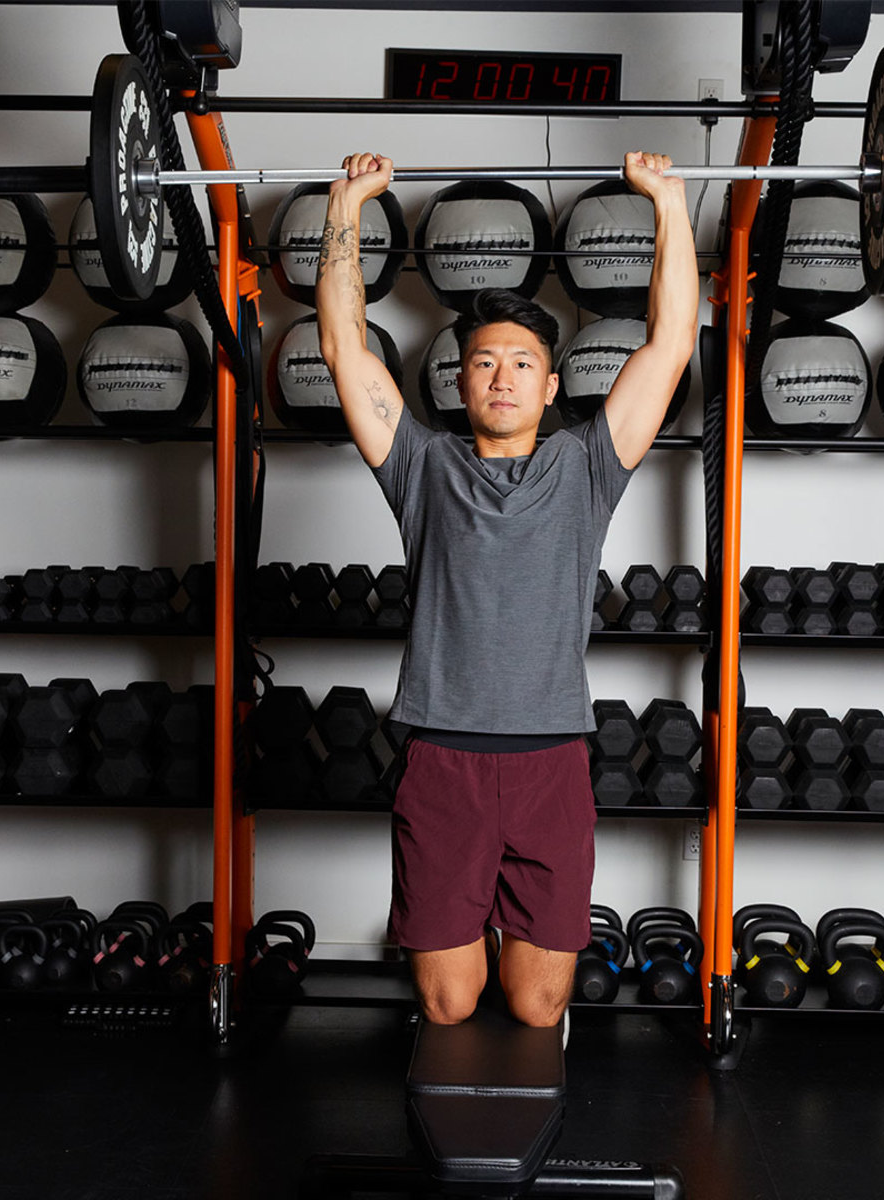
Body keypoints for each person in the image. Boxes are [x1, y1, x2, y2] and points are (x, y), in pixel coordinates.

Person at [316, 151, 698, 1029]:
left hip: (549, 761)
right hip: (441, 758)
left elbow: (670, 343)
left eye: (521, 364)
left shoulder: (588, 467)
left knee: (535, 1003)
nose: (500, 377)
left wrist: (669, 204)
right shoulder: (420, 466)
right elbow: (343, 344)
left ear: (551, 385)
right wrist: (348, 206)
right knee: (450, 1003)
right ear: (458, 383)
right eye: (483, 364)